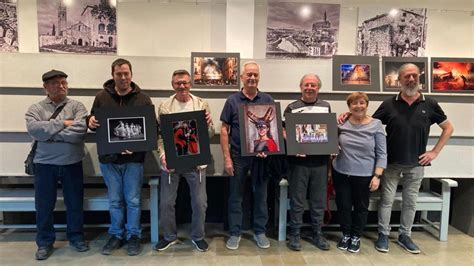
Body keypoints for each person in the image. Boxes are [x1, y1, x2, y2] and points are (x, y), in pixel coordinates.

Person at [339, 63, 454, 254]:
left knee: (410, 202)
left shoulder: (430, 104)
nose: (411, 79)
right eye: (406, 76)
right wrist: (349, 113)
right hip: (391, 163)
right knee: (386, 201)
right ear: (399, 80)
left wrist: (434, 152)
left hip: (417, 164)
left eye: (414, 76)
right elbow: (368, 121)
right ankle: (383, 235)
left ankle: (405, 236)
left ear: (419, 78)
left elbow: (448, 128)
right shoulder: (388, 104)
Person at [87, 58, 153, 256]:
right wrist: (89, 121)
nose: (123, 77)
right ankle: (116, 234)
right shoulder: (101, 97)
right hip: (109, 160)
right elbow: (94, 123)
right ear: (113, 75)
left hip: (134, 160)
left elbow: (151, 129)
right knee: (115, 200)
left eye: (126, 73)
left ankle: (133, 235)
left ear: (131, 74)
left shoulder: (143, 99)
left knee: (132, 200)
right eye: (119, 74)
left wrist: (136, 146)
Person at [25, 69, 89, 260]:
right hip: (44, 165)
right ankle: (44, 242)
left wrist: (50, 133)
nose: (61, 86)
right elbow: (35, 130)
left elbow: (79, 132)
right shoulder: (35, 109)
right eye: (55, 83)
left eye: (63, 83)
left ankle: (76, 237)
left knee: (74, 203)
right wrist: (64, 124)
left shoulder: (78, 106)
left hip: (72, 163)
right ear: (45, 87)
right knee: (44, 206)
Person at [154, 69, 214, 252]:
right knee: (166, 202)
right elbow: (160, 136)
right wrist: (163, 155)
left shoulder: (201, 104)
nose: (182, 86)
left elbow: (209, 135)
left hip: (196, 162)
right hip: (171, 162)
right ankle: (170, 236)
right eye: (178, 83)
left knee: (199, 202)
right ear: (172, 85)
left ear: (190, 84)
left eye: (185, 83)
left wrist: (209, 125)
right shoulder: (164, 106)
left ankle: (198, 236)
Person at [220, 61, 274, 250]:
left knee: (261, 195)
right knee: (235, 196)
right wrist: (227, 158)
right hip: (238, 157)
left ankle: (260, 231)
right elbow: (224, 130)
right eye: (248, 74)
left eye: (255, 75)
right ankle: (235, 233)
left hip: (261, 158)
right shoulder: (232, 101)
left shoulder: (267, 99)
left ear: (258, 77)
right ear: (241, 77)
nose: (252, 78)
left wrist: (266, 149)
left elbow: (272, 130)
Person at [332, 92, 387, 254]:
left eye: (362, 103)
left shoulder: (376, 125)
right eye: (354, 104)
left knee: (361, 207)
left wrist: (377, 176)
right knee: (343, 205)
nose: (358, 106)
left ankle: (356, 236)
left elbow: (382, 154)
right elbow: (330, 142)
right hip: (341, 172)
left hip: (365, 175)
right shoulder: (341, 123)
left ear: (367, 105)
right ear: (349, 107)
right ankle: (346, 235)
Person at [284, 74, 332, 252]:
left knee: (318, 200)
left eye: (313, 85)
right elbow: (285, 131)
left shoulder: (325, 107)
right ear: (300, 87)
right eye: (306, 85)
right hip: (298, 163)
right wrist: (293, 143)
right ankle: (295, 233)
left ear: (318, 88)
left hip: (320, 162)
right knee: (297, 200)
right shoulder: (292, 108)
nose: (309, 88)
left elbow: (329, 131)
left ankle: (317, 233)